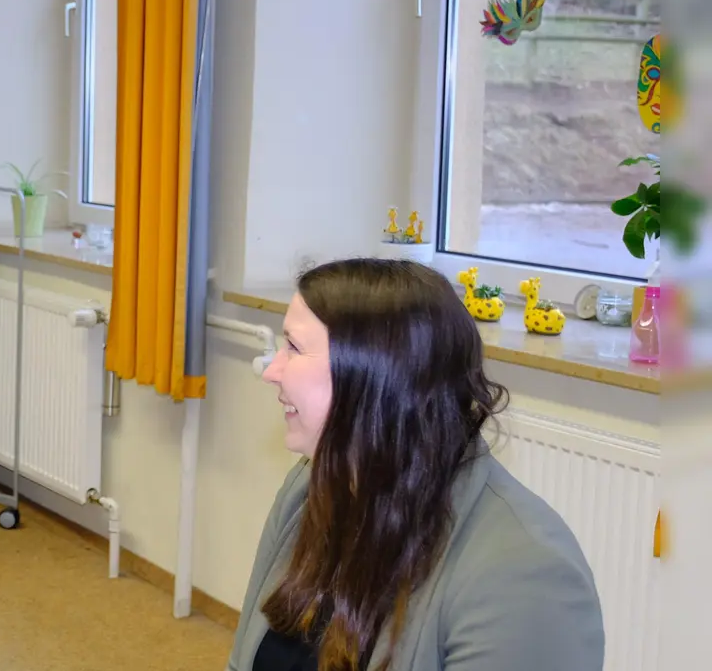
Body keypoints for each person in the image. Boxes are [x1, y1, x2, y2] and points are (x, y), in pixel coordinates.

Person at [228, 259, 604, 671]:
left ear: (377, 375)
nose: (272, 371)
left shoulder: (524, 572)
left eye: (294, 347)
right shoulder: (308, 487)